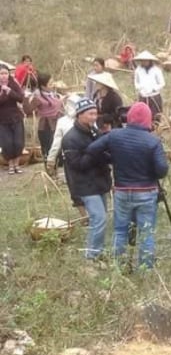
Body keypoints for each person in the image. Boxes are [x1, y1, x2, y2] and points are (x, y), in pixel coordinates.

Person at [86, 102, 169, 270]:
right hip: (146, 191)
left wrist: (112, 158)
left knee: (120, 230)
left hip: (122, 191)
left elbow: (92, 149)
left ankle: (119, 266)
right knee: (146, 232)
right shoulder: (153, 142)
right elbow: (162, 171)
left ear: (129, 118)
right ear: (148, 120)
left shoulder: (114, 135)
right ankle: (145, 269)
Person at [62, 99, 111, 260]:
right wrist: (94, 151)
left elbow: (104, 153)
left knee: (101, 218)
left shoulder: (94, 132)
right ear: (79, 115)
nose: (94, 117)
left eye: (95, 113)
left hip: (100, 182)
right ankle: (92, 256)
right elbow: (77, 165)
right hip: (85, 185)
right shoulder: (70, 138)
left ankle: (97, 251)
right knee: (99, 218)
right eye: (90, 114)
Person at [27, 72, 63, 161]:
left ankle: (59, 163)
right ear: (43, 86)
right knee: (49, 147)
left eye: (52, 82)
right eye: (50, 84)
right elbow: (28, 110)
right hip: (46, 126)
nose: (52, 85)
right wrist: (26, 98)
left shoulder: (53, 94)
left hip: (57, 123)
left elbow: (57, 105)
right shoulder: (38, 97)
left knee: (59, 145)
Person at [46, 93, 83, 176]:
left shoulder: (63, 121)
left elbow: (56, 143)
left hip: (74, 156)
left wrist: (51, 159)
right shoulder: (86, 118)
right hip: (74, 156)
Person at [0, 66, 26, 174]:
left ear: (9, 74)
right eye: (1, 74)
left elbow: (20, 97)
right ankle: (10, 165)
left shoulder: (13, 84)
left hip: (16, 117)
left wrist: (9, 91)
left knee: (18, 142)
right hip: (2, 119)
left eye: (5, 73)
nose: (3, 76)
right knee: (7, 143)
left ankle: (17, 164)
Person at [132, 51, 166, 124]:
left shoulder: (156, 70)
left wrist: (154, 89)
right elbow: (136, 82)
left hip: (154, 96)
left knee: (155, 115)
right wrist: (140, 89)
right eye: (143, 60)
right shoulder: (138, 70)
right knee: (143, 114)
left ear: (150, 61)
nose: (144, 62)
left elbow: (162, 83)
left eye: (146, 60)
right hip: (143, 95)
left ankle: (156, 128)